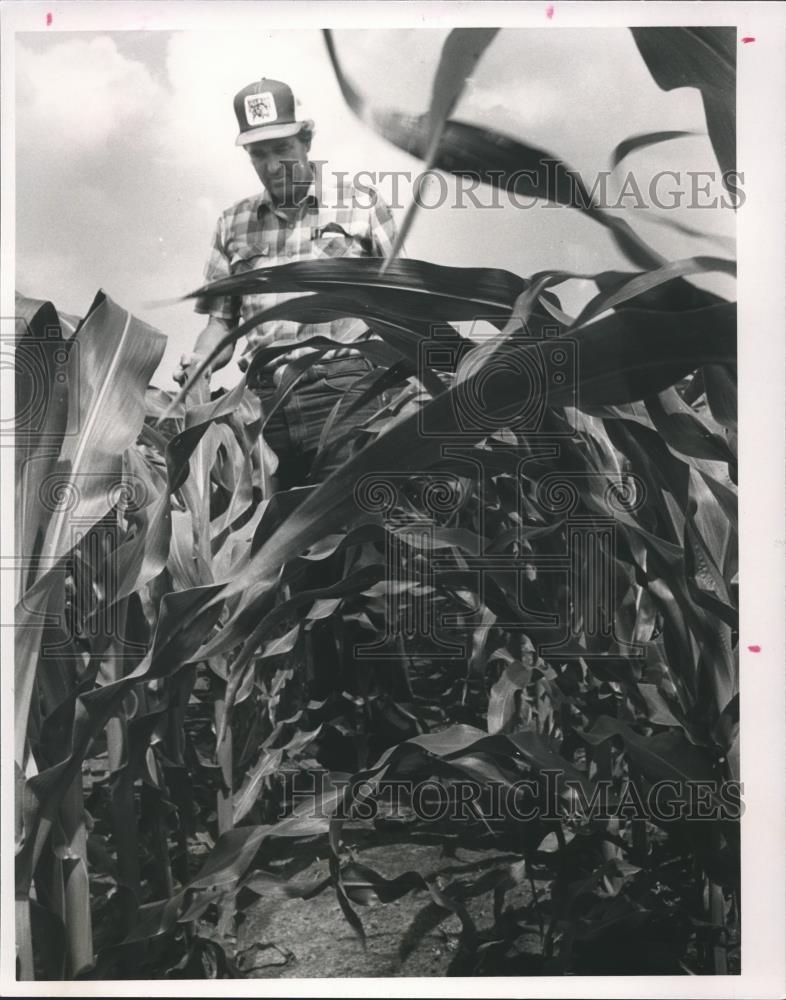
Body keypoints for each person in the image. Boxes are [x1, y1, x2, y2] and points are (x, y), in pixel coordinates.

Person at [175, 77, 400, 489]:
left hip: (345, 390)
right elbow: (221, 323)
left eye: (282, 149)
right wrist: (200, 361)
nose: (272, 165)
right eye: (259, 154)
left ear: (307, 139)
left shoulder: (361, 205)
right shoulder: (233, 223)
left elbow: (401, 302)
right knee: (272, 543)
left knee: (347, 534)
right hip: (263, 407)